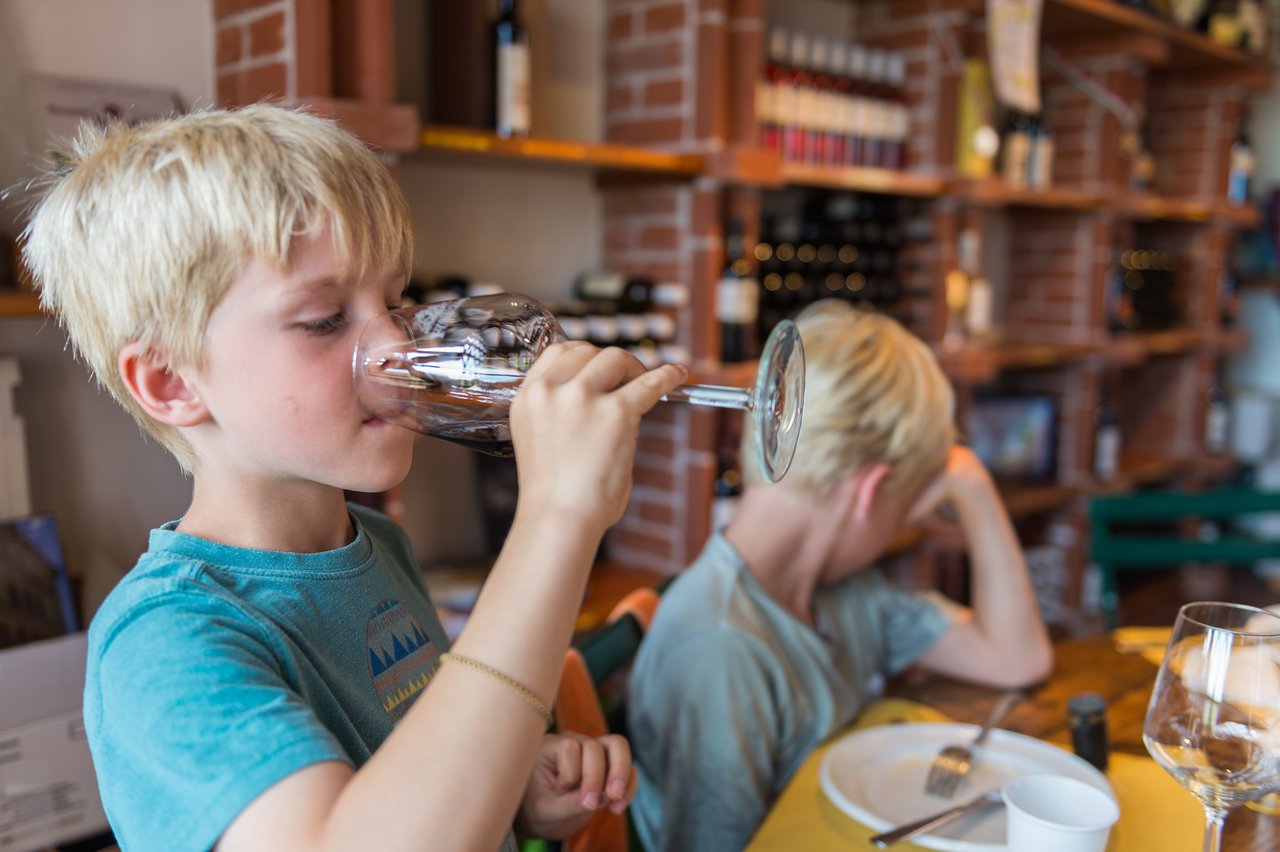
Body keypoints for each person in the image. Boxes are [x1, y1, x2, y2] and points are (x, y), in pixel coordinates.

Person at [21, 104, 688, 852]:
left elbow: (413, 784)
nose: (397, 345)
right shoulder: (164, 643)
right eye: (325, 320)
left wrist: (513, 793)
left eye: (395, 302)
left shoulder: (377, 546)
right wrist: (558, 518)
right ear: (172, 383)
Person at [627, 300, 1055, 852]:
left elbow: (1016, 658)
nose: (901, 527)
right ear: (869, 492)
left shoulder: (842, 590)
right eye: (903, 511)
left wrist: (970, 481)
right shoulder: (722, 650)